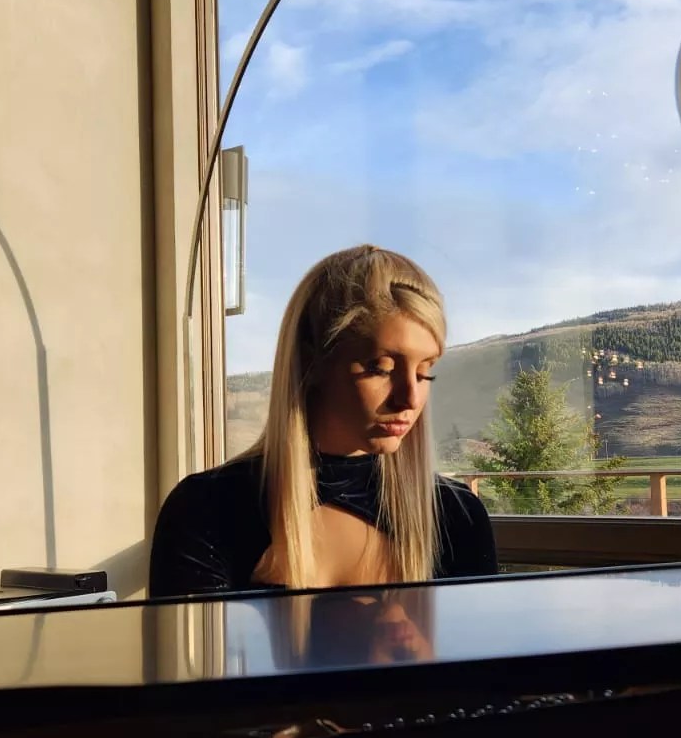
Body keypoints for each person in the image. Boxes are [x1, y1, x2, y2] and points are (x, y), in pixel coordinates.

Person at [149, 245, 498, 597]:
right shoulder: (210, 510)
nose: (410, 398)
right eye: (381, 368)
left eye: (425, 373)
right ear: (311, 362)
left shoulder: (456, 516)